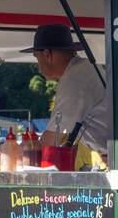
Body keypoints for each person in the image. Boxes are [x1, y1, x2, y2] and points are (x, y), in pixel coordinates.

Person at [25, 23, 109, 167]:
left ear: (47, 54)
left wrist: (27, 156)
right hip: (114, 154)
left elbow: (55, 136)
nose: (38, 67)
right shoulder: (84, 69)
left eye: (37, 57)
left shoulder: (74, 79)